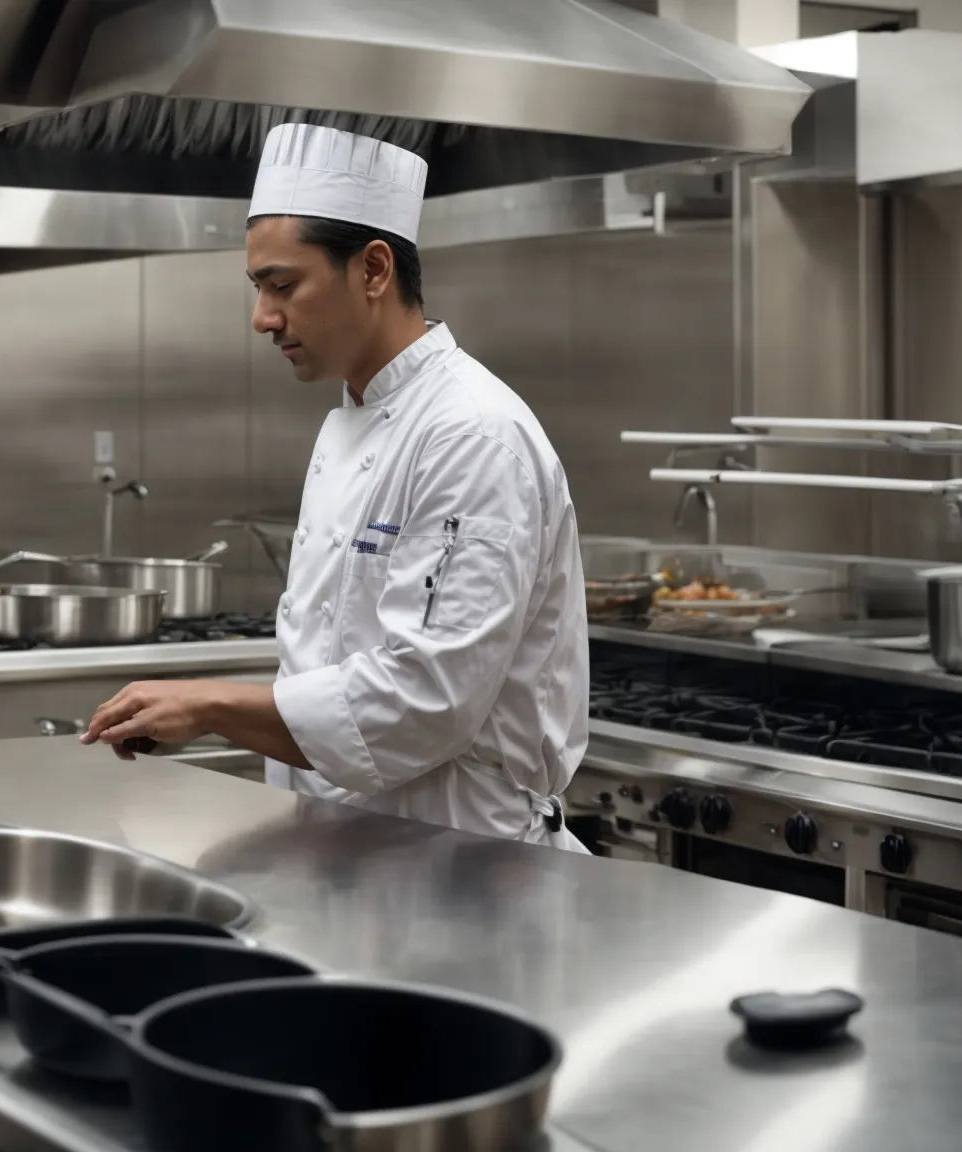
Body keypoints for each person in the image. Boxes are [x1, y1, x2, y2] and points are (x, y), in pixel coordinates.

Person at [80, 122, 590, 852]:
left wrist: (212, 705)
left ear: (374, 270)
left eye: (281, 285)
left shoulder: (470, 433)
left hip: (460, 861)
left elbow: (427, 700)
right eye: (258, 288)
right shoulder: (350, 420)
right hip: (344, 844)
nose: (262, 318)